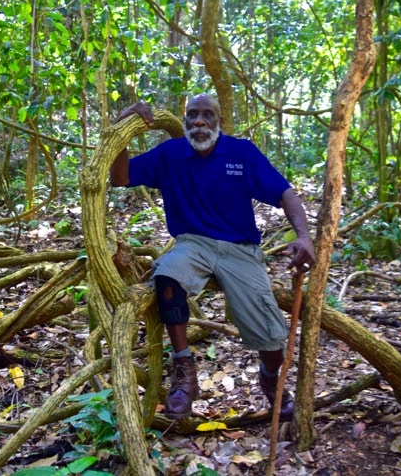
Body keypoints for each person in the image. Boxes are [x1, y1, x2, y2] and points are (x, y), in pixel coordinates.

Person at [110, 93, 316, 421]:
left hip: (240, 249)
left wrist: (304, 236)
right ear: (185, 119)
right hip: (193, 244)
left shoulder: (241, 152)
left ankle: (269, 377)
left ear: (219, 121)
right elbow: (119, 178)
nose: (200, 122)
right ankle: (184, 371)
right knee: (167, 277)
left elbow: (283, 192)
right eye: (193, 115)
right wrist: (122, 127)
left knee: (272, 336)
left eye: (208, 115)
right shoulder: (171, 154)